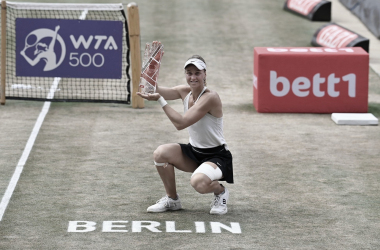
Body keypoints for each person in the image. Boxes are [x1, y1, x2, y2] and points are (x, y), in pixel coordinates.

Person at [137, 55, 233, 215]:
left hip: (217, 157)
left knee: (198, 183)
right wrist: (151, 71)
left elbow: (180, 123)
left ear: (205, 74)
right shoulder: (184, 91)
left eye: (197, 73)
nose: (193, 77)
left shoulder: (210, 97)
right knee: (160, 154)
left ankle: (220, 191)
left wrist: (160, 100)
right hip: (194, 152)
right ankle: (172, 200)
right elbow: (152, 89)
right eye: (189, 73)